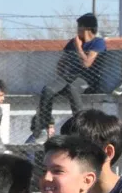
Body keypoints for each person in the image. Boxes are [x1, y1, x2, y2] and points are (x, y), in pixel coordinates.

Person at [28, 13, 105, 141]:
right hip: (70, 77)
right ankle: (46, 127)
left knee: (72, 89)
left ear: (87, 29)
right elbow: (61, 63)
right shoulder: (72, 43)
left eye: (79, 27)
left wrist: (79, 48)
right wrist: (62, 78)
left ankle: (81, 126)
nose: (77, 30)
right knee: (48, 90)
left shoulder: (98, 43)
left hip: (87, 79)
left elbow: (87, 64)